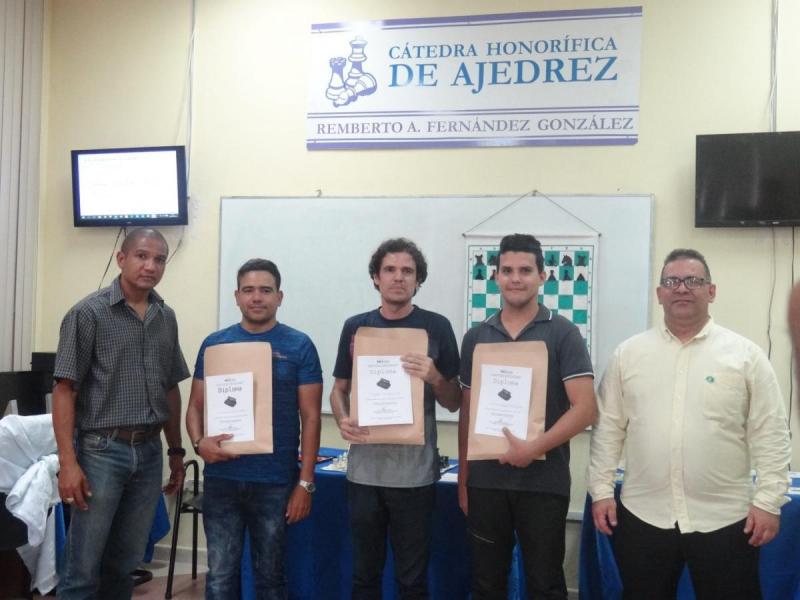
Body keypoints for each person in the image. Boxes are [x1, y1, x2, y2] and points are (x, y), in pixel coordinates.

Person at [589, 248, 791, 600]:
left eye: (693, 281)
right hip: (644, 515)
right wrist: (602, 490)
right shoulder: (629, 355)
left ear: (711, 291)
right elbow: (608, 428)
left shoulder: (745, 356)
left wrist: (769, 501)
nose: (681, 288)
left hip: (727, 519)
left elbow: (771, 433)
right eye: (672, 281)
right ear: (659, 294)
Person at [52, 228, 190, 599]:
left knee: (124, 566)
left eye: (159, 259)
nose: (151, 265)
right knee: (83, 566)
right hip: (101, 451)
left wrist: (176, 450)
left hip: (148, 453)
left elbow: (169, 386)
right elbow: (64, 389)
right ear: (122, 259)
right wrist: (68, 462)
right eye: (142, 256)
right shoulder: (88, 313)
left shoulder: (166, 316)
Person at [458, 233, 596, 600]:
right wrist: (464, 479)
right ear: (495, 277)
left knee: (545, 584)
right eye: (507, 270)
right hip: (486, 482)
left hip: (543, 483)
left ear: (542, 276)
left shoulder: (564, 332)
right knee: (486, 584)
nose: (515, 278)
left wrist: (532, 447)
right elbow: (468, 413)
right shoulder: (476, 337)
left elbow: (585, 409)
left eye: (525, 270)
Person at [330, 238, 460, 600]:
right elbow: (338, 389)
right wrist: (341, 418)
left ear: (418, 280)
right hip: (364, 473)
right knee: (364, 577)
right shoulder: (356, 327)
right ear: (375, 277)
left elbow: (455, 402)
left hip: (415, 475)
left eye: (408, 271)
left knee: (411, 580)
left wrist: (435, 377)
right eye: (390, 270)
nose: (398, 278)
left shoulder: (437, 327)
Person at [185, 258, 322, 600]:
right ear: (237, 296)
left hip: (274, 481)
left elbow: (312, 416)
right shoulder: (215, 344)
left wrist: (305, 483)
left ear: (280, 296)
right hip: (222, 480)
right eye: (249, 290)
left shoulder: (299, 345)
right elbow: (194, 408)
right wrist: (200, 443)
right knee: (219, 577)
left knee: (270, 578)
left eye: (265, 290)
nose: (257, 297)